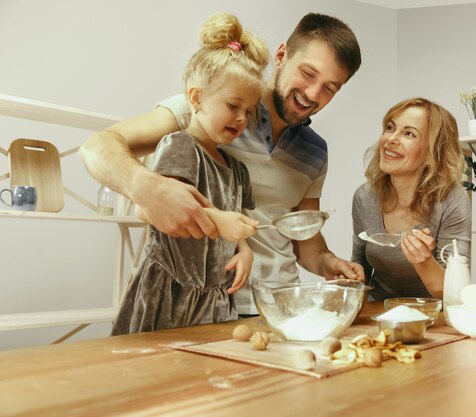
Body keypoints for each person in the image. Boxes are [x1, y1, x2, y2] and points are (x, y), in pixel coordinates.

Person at [80, 13, 365, 316]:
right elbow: (98, 146)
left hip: (281, 310)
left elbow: (304, 241)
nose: (312, 94)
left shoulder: (316, 151)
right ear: (281, 56)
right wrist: (146, 187)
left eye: (329, 88)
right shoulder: (209, 108)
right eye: (308, 74)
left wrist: (328, 262)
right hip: (205, 308)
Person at [110, 13, 268, 334]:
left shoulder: (237, 170)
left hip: (214, 298)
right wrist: (220, 222)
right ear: (196, 98)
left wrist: (246, 250)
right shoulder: (181, 146)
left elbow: (236, 227)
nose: (241, 118)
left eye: (249, 111)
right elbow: (163, 208)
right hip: (168, 291)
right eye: (233, 105)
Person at [351, 97, 471, 301]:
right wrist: (349, 279)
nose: (390, 139)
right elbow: (359, 265)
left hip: (434, 317)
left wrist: (423, 262)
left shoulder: (452, 199)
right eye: (390, 128)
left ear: (432, 153)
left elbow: (457, 291)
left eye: (409, 134)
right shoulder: (365, 196)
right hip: (379, 314)